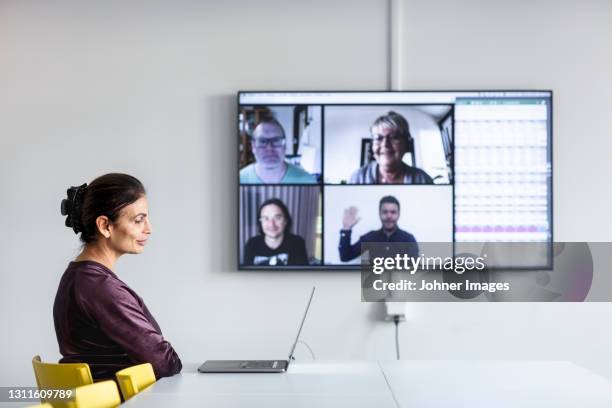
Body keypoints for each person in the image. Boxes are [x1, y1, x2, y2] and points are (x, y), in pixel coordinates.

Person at [54, 173, 182, 381]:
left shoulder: (78, 277)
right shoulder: (100, 288)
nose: (149, 229)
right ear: (105, 226)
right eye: (138, 220)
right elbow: (165, 363)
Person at [349, 111, 434, 184]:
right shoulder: (357, 178)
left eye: (394, 137)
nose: (385, 144)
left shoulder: (423, 180)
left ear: (406, 144)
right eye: (379, 138)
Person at [338, 195, 418, 262]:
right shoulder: (370, 238)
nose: (389, 216)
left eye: (393, 212)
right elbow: (345, 257)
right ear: (379, 214)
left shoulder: (408, 239)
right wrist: (346, 228)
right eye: (385, 212)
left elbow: (415, 268)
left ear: (398, 215)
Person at [240, 117, 317, 184]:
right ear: (253, 146)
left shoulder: (308, 180)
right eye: (262, 141)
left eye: (276, 140)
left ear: (285, 145)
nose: (269, 148)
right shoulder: (239, 178)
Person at [244, 198, 309, 266]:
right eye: (266, 218)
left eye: (277, 218)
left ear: (285, 221)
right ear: (260, 223)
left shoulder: (297, 243)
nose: (272, 224)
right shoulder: (252, 244)